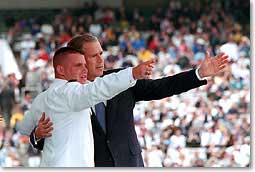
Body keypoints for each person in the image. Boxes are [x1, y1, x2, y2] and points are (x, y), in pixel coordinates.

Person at [29, 34, 229, 167]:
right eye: (93, 56)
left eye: (101, 54)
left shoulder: (122, 79)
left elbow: (162, 87)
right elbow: (48, 138)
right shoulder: (62, 95)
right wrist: (37, 136)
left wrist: (199, 74)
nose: (101, 60)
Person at [16, 46, 155, 167]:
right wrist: (133, 74)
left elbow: (23, 128)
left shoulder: (42, 98)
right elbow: (99, 88)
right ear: (61, 70)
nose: (85, 69)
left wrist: (36, 134)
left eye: (84, 64)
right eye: (78, 65)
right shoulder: (70, 91)